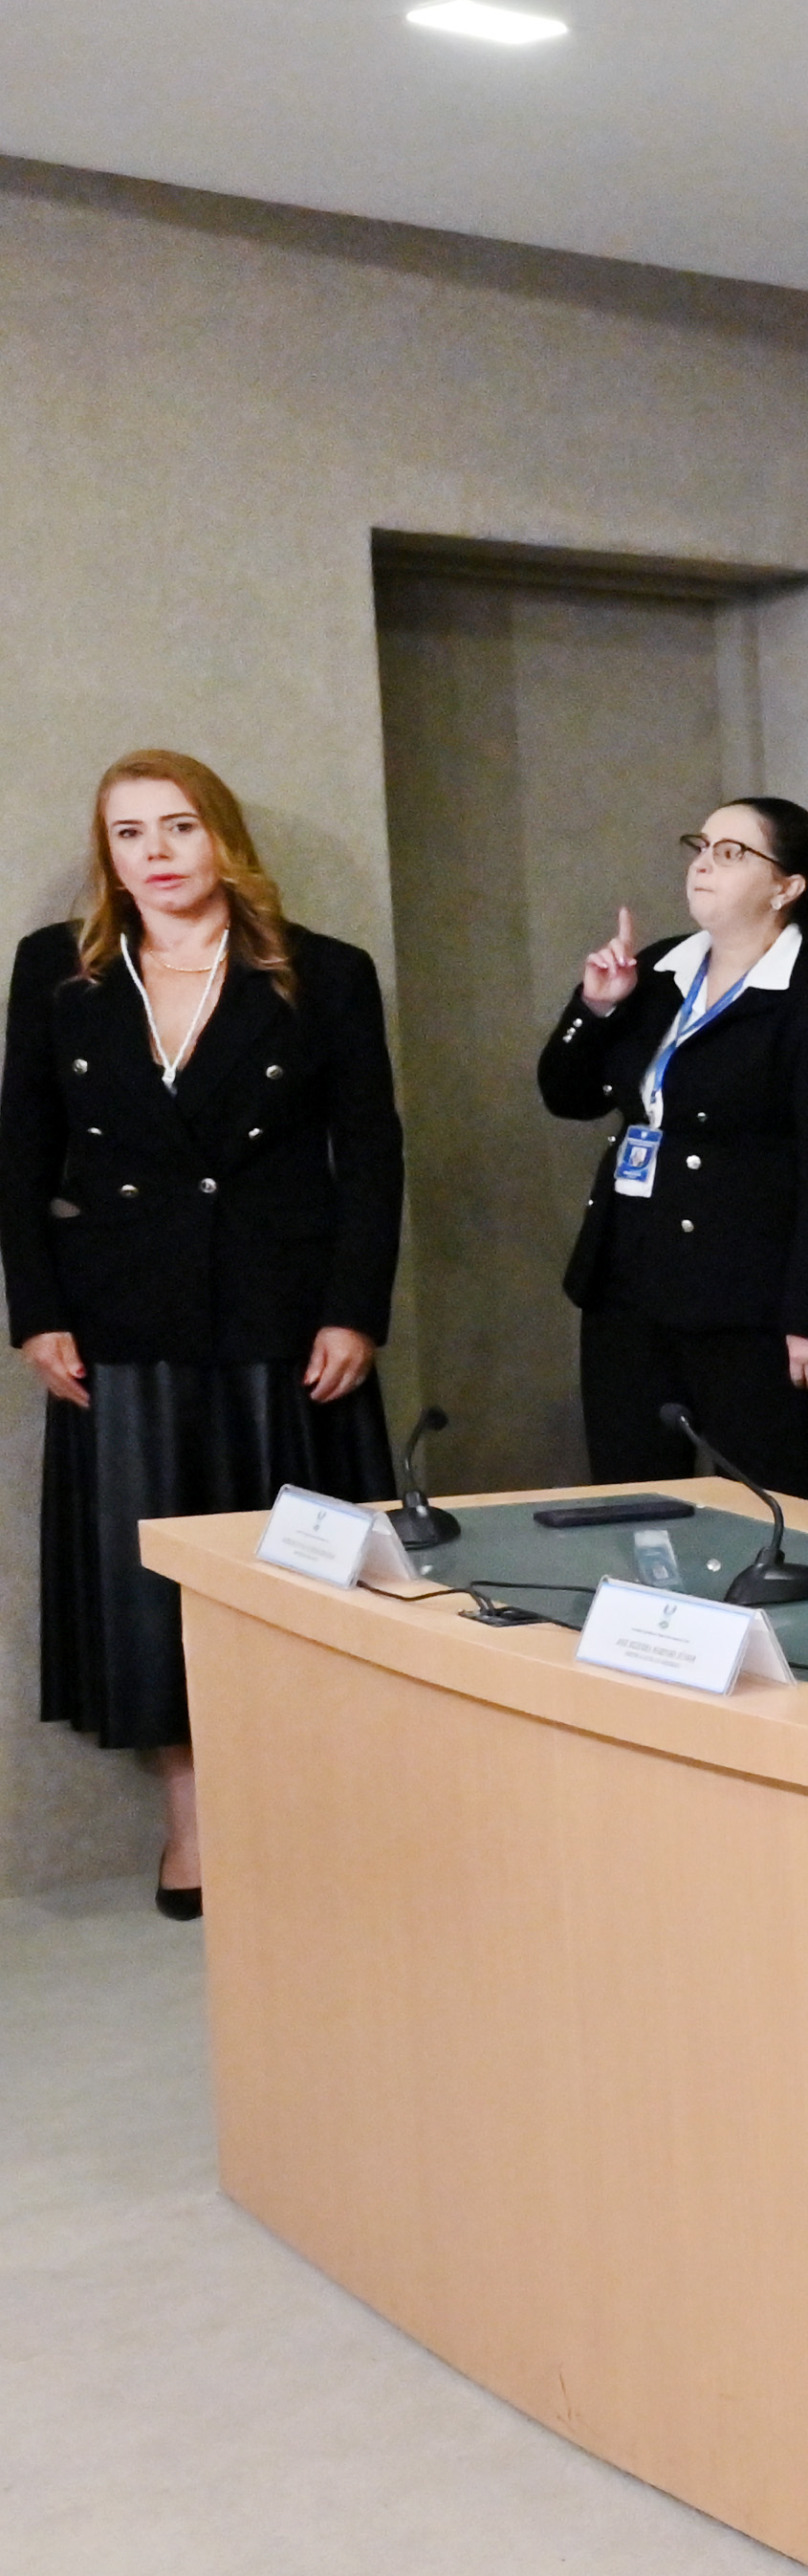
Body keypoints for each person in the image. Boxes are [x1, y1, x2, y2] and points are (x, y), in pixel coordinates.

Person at [3, 756, 405, 1916]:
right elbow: (19, 1148)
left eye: (178, 826)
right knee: (149, 1586)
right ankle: (195, 1827)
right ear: (109, 855)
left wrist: (354, 1307)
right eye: (129, 833)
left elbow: (371, 1153)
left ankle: (317, 1820)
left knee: (301, 1574)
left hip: (285, 1318)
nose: (157, 853)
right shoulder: (57, 968)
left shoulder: (324, 971)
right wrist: (38, 1313)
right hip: (118, 1316)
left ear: (221, 836)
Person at [536, 793, 808, 1495]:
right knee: (634, 1496)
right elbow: (567, 1096)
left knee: (767, 1499)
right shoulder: (659, 971)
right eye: (702, 847)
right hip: (628, 1281)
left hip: (745, 1299)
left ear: (786, 887)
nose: (704, 865)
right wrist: (596, 1008)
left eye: (731, 852)